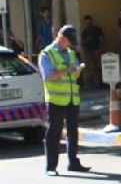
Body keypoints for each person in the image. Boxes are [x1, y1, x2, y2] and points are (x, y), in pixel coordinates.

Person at [37, 25, 90, 175]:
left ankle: (73, 162)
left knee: (73, 131)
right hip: (56, 100)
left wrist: (77, 71)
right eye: (69, 41)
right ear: (61, 38)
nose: (70, 45)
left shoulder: (71, 53)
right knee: (54, 132)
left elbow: (75, 75)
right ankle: (51, 167)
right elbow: (48, 76)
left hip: (72, 99)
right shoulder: (47, 54)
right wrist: (68, 70)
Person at [81, 14, 104, 88]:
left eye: (89, 21)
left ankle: (102, 82)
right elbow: (82, 42)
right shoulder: (85, 32)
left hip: (97, 50)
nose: (88, 23)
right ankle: (96, 83)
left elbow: (101, 40)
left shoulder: (97, 29)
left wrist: (100, 48)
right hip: (89, 51)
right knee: (93, 67)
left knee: (100, 67)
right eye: (86, 22)